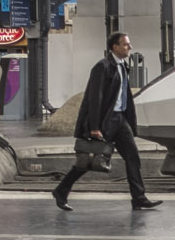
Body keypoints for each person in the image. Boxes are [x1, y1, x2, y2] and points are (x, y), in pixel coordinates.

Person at [52, 32, 160, 212]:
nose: (129, 47)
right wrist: (94, 127)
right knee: (90, 159)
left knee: (132, 156)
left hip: (120, 119)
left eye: (129, 44)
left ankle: (139, 198)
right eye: (126, 44)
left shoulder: (122, 66)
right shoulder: (102, 67)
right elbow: (95, 98)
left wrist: (129, 121)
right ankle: (61, 190)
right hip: (105, 120)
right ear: (114, 47)